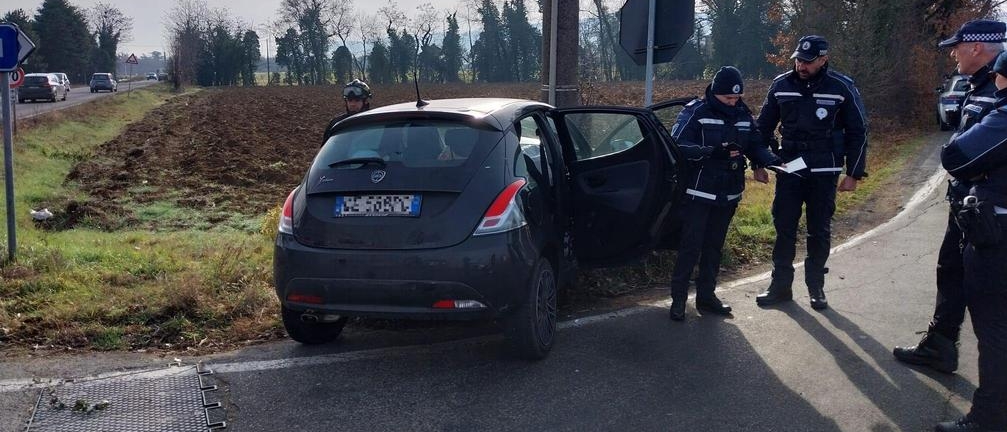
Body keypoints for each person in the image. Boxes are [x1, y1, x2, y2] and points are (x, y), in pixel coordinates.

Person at [893, 20, 1006, 375]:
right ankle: (940, 346)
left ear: (976, 46)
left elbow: (966, 156)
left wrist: (963, 161)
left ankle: (990, 405)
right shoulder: (978, 86)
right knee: (950, 273)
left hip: (987, 210)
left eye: (958, 46)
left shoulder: (998, 88)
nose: (953, 53)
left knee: (986, 302)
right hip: (966, 204)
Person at [754, 35, 868, 310]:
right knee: (784, 227)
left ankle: (816, 286)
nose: (801, 66)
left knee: (819, 230)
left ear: (823, 60)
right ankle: (780, 286)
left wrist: (853, 173)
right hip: (790, 168)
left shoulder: (841, 86)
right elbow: (762, 127)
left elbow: (858, 131)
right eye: (798, 60)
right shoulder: (781, 85)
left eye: (807, 61)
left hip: (824, 169)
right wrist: (761, 162)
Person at [668, 66, 781, 321]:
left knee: (714, 247)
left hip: (729, 192)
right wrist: (712, 151)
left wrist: (772, 160)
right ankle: (678, 300)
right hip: (700, 191)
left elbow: (754, 143)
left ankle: (707, 297)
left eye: (736, 98)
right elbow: (678, 145)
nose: (733, 102)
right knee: (691, 246)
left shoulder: (742, 113)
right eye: (728, 98)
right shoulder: (695, 111)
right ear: (715, 93)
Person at [933, 49, 1007, 432]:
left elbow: (956, 155)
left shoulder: (1004, 116)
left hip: (996, 233)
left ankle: (989, 418)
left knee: (994, 327)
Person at [322, 79, 372, 144]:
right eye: (349, 100)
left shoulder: (375, 122)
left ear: (366, 101)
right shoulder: (336, 124)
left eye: (357, 100)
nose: (352, 104)